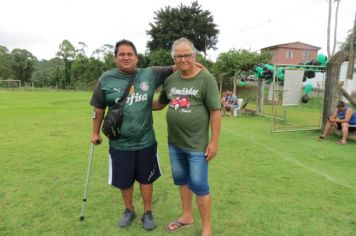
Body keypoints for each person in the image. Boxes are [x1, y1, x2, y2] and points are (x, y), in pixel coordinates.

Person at [90, 39, 176, 231]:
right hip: (119, 144)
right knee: (125, 180)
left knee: (147, 179)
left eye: (130, 54)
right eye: (122, 54)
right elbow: (98, 108)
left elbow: (177, 65)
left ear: (137, 57)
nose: (126, 57)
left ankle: (147, 213)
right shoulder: (106, 79)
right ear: (115, 58)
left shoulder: (150, 74)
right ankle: (129, 210)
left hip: (146, 141)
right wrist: (95, 133)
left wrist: (195, 64)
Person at [152, 37, 221, 236]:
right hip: (175, 143)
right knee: (182, 181)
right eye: (178, 56)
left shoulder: (206, 79)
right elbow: (160, 103)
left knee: (199, 185)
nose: (182, 59)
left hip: (197, 145)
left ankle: (207, 227)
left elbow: (215, 112)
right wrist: (136, 104)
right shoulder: (170, 80)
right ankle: (186, 216)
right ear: (174, 57)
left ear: (194, 55)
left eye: (186, 55)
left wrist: (214, 142)